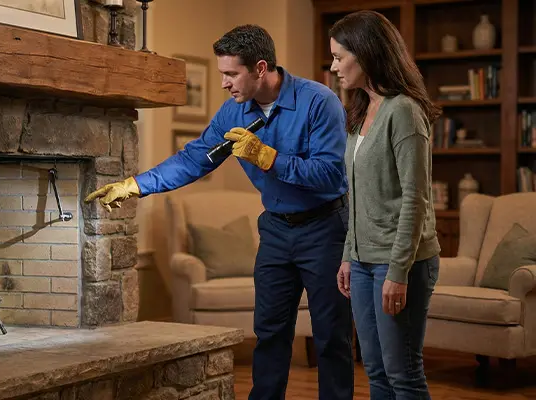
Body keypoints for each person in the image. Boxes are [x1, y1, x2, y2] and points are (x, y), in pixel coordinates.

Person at [85, 24, 354, 400]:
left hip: (325, 228)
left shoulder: (318, 102)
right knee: (270, 333)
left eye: (231, 74)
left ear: (260, 68)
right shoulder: (233, 113)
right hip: (276, 231)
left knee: (331, 335)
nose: (225, 84)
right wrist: (135, 185)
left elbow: (331, 174)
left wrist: (268, 157)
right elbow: (195, 159)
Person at [330, 10, 442, 400]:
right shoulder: (361, 112)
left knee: (403, 374)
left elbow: (416, 198)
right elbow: (357, 196)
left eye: (340, 57)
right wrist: (349, 255)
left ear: (366, 54)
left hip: (400, 263)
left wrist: (397, 272)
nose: (334, 67)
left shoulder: (404, 111)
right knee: (375, 372)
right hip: (362, 263)